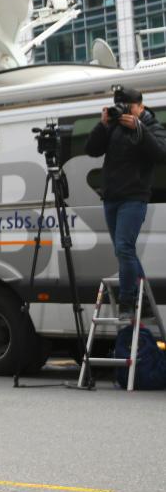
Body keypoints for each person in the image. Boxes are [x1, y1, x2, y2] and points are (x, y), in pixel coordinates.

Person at [84, 86, 166, 318]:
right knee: (124, 252)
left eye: (128, 107)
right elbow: (91, 150)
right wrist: (103, 125)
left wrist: (138, 127)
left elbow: (161, 153)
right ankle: (145, 303)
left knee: (123, 248)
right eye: (121, 107)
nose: (124, 112)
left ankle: (128, 301)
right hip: (112, 198)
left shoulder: (150, 125)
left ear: (140, 106)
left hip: (134, 197)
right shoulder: (114, 126)